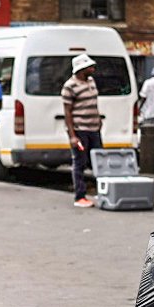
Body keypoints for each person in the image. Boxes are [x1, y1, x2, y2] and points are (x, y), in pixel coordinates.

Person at [61, 53, 103, 208]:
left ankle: (103, 192)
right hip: (80, 130)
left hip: (94, 129)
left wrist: (98, 121)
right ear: (81, 69)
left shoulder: (91, 82)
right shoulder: (69, 86)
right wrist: (72, 135)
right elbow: (67, 112)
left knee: (99, 161)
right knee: (80, 162)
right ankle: (80, 196)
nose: (93, 69)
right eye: (89, 67)